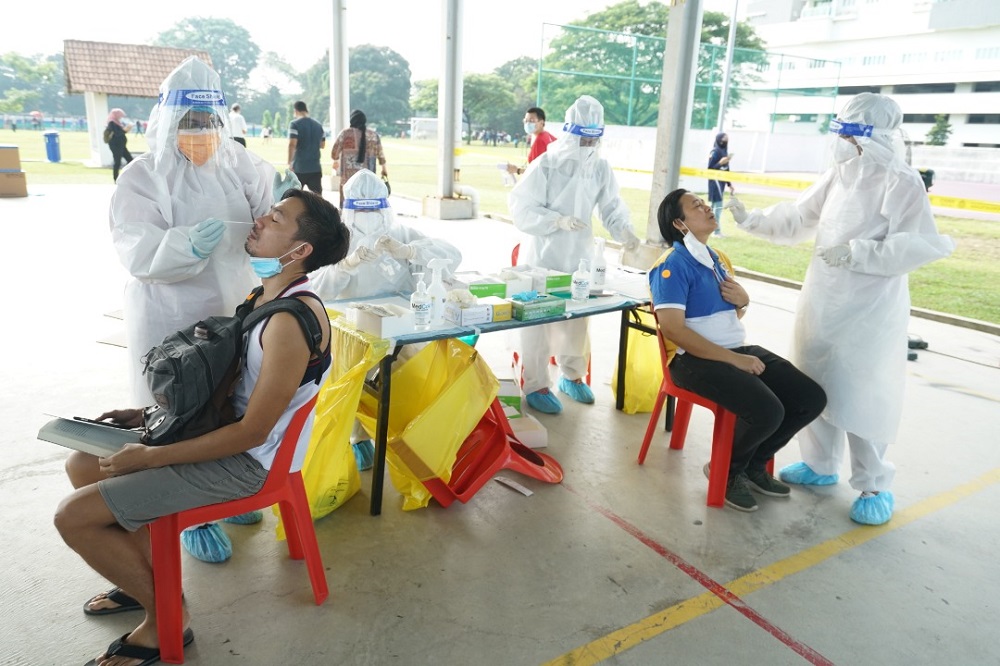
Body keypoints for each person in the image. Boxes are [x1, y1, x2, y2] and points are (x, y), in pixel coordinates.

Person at [55, 188, 350, 666]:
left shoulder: (290, 325)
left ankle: (166, 620)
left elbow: (253, 432)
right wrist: (153, 417)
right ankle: (146, 584)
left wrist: (152, 455)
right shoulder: (267, 295)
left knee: (73, 517)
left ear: (300, 252)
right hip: (230, 440)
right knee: (84, 462)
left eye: (276, 219)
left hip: (249, 464)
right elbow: (232, 386)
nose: (260, 220)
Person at [727, 93, 955, 525]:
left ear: (875, 137)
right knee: (813, 382)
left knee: (862, 392)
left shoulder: (900, 181)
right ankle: (821, 464)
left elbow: (916, 245)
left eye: (851, 134)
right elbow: (799, 216)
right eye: (841, 131)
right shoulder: (841, 173)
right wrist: (752, 219)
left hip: (869, 308)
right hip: (824, 298)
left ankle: (874, 483)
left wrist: (857, 254)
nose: (843, 141)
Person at [107, 56, 285, 565]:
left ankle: (224, 494)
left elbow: (267, 223)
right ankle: (190, 515)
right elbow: (138, 251)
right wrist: (184, 244)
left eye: (209, 122)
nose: (201, 132)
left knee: (228, 401)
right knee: (176, 407)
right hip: (170, 310)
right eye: (190, 122)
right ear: (168, 122)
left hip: (231, 303)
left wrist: (275, 238)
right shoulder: (143, 179)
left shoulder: (245, 166)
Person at [650, 189, 827, 512]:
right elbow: (673, 329)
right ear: (680, 223)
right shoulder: (672, 266)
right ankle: (727, 473)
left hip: (733, 348)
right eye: (696, 206)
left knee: (809, 398)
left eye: (704, 202)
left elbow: (729, 315)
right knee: (768, 411)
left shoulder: (713, 258)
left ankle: (753, 465)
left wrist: (743, 301)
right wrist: (735, 359)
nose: (707, 207)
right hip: (692, 360)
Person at [311, 168, 461, 469]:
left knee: (407, 380)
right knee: (351, 382)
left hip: (398, 322)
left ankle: (409, 433)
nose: (369, 219)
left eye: (375, 210)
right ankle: (358, 438)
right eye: (362, 210)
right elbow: (315, 287)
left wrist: (410, 251)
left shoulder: (401, 234)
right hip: (350, 325)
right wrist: (345, 266)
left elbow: (451, 254)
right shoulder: (334, 238)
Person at [508, 95, 641, 415]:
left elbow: (611, 206)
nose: (588, 144)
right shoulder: (547, 164)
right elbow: (520, 207)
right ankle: (537, 383)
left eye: (594, 138)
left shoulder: (600, 167)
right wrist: (556, 221)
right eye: (583, 137)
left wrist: (624, 231)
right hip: (544, 253)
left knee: (578, 320)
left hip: (579, 255)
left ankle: (573, 376)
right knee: (538, 320)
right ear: (570, 132)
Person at [331, 109, 387, 207]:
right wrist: (384, 169)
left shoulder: (345, 134)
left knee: (347, 204)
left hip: (348, 179)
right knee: (367, 203)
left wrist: (336, 160)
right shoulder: (373, 135)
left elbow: (334, 153)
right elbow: (381, 156)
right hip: (368, 179)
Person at [288, 101, 326, 195]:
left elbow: (292, 144)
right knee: (318, 198)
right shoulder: (318, 125)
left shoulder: (294, 124)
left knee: (295, 196)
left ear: (296, 111)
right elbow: (322, 145)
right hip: (315, 167)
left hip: (299, 167)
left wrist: (289, 162)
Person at [506, 106, 557, 177]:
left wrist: (517, 170)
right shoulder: (548, 136)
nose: (527, 124)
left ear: (541, 122)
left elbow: (537, 171)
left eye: (532, 121)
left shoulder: (540, 141)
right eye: (526, 121)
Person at [707, 132, 734, 236]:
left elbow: (726, 169)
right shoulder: (714, 152)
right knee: (717, 207)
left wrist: (729, 184)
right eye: (723, 139)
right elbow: (710, 169)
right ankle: (716, 231)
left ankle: (711, 229)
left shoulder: (724, 152)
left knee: (714, 207)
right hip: (715, 182)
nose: (725, 141)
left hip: (722, 183)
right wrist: (719, 163)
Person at [106, 108, 133, 182]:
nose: (121, 117)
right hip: (116, 145)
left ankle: (129, 177)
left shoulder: (117, 122)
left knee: (130, 160)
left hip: (121, 145)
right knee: (117, 161)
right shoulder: (112, 123)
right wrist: (125, 130)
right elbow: (117, 133)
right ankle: (116, 178)